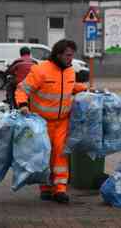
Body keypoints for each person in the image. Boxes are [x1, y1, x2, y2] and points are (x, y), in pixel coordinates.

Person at [15, 39, 88, 203]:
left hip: (62, 121)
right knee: (45, 155)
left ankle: (60, 189)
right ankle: (46, 187)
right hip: (42, 122)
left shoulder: (70, 71)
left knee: (61, 153)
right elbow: (22, 89)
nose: (71, 59)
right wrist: (23, 105)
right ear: (58, 54)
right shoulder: (41, 70)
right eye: (68, 55)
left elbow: (69, 87)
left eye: (72, 55)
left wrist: (85, 89)